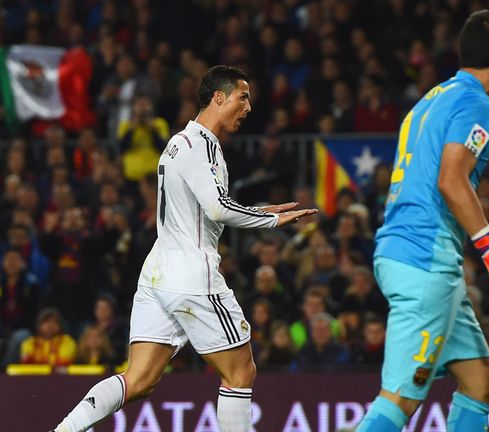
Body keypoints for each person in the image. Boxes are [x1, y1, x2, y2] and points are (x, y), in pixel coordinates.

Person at [51, 65, 317, 432]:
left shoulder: (179, 142)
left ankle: (63, 430)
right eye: (243, 97)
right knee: (240, 371)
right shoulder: (203, 147)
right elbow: (218, 208)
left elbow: (206, 206)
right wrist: (271, 221)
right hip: (194, 276)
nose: (249, 107)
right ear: (218, 98)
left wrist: (258, 209)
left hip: (158, 273)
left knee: (139, 379)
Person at [356, 11, 489, 432]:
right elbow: (450, 179)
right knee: (401, 399)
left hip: (405, 252)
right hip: (425, 263)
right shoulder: (478, 102)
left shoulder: (430, 99)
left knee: (479, 381)